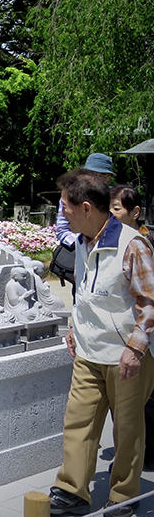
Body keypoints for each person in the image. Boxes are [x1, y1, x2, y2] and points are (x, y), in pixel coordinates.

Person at [49, 170, 154, 517]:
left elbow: (149, 302)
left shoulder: (132, 244)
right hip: (89, 350)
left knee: (127, 430)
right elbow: (84, 294)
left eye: (65, 206)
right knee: (78, 422)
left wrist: (135, 349)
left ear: (86, 208)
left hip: (126, 354)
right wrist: (72, 326)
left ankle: (124, 496)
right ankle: (71, 489)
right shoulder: (81, 241)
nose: (61, 212)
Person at [110, 185, 154, 472]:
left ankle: (142, 458)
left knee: (143, 403)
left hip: (143, 339)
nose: (111, 215)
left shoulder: (141, 243)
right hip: (119, 340)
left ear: (135, 212)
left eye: (116, 208)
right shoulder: (107, 242)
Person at [54, 153, 113, 247]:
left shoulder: (115, 197)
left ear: (108, 178)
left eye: (102, 175)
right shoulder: (69, 196)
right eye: (92, 174)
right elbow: (62, 230)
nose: (96, 179)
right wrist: (82, 244)